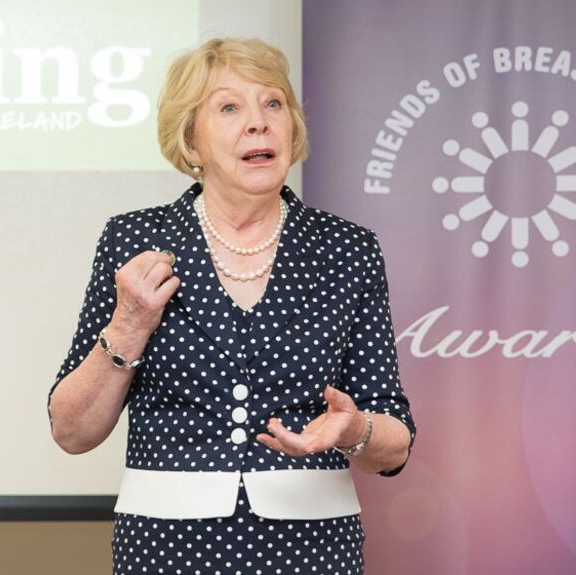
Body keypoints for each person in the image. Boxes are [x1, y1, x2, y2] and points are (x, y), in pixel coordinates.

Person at [47, 37, 417, 575]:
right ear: (191, 142)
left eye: (273, 104)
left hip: (315, 552)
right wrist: (129, 326)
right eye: (228, 107)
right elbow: (71, 432)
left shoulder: (348, 249)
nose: (259, 123)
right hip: (164, 551)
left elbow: (396, 440)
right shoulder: (135, 241)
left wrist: (353, 430)